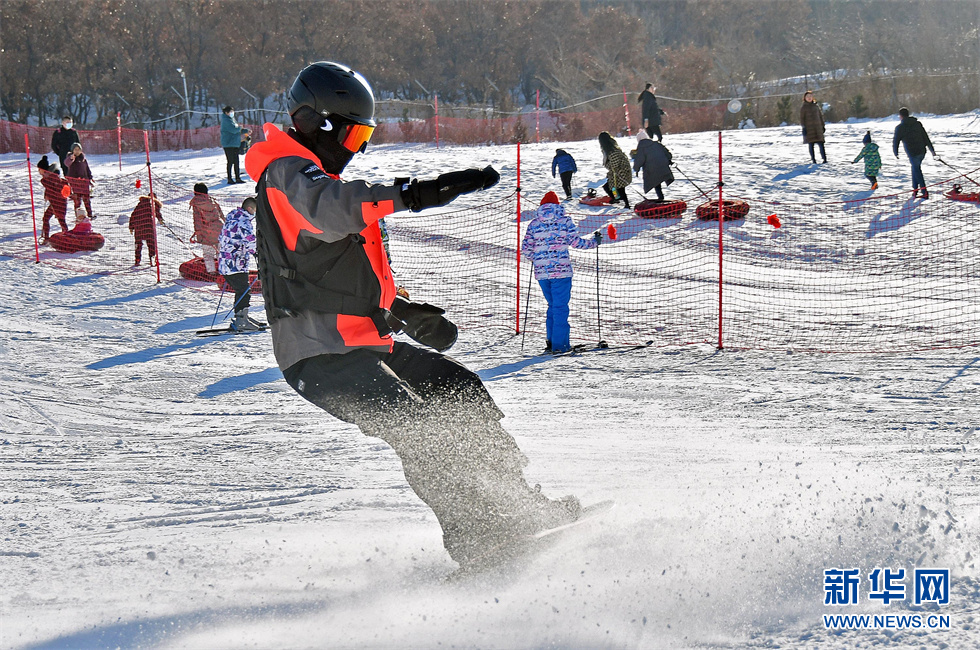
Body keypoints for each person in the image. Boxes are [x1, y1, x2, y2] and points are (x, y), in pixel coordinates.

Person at [243, 60, 581, 568]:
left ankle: (517, 502)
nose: (358, 147)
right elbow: (335, 207)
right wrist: (419, 192)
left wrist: (404, 311)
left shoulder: (297, 174)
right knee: (420, 430)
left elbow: (328, 271)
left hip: (359, 341)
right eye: (355, 133)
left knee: (459, 390)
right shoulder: (287, 174)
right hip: (320, 356)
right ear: (318, 122)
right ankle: (481, 539)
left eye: (366, 135)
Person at [521, 191, 598, 354]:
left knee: (552, 306)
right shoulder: (565, 221)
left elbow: (526, 250)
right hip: (561, 271)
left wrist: (540, 258)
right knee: (560, 307)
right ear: (557, 205)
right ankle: (560, 345)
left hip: (542, 273)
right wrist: (594, 242)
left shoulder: (534, 224)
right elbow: (576, 242)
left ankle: (551, 341)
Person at [218, 197, 259, 331]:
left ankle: (242, 316)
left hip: (226, 262)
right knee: (244, 291)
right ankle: (241, 320)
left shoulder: (232, 218)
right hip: (235, 264)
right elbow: (250, 242)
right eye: (255, 211)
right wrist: (259, 252)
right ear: (249, 209)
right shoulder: (243, 222)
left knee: (241, 290)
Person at [892, 107, 936, 199]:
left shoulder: (900, 128)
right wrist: (932, 150)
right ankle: (915, 190)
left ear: (900, 116)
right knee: (915, 168)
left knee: (917, 170)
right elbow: (925, 137)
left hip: (912, 152)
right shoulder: (917, 124)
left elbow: (896, 141)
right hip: (922, 151)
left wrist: (895, 152)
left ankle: (924, 191)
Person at [189, 183, 225, 273]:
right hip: (219, 228)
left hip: (206, 230)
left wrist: (197, 232)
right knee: (220, 251)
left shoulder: (196, 203)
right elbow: (221, 214)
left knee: (208, 253)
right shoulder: (212, 200)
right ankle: (224, 271)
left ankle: (211, 272)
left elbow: (197, 220)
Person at [632, 129, 674, 201]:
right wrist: (668, 160)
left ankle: (660, 197)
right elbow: (668, 154)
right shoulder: (657, 143)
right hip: (663, 166)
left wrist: (636, 168)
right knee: (661, 178)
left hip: (652, 169)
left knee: (655, 181)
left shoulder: (641, 148)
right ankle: (661, 197)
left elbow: (639, 160)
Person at [37, 156, 70, 243]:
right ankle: (46, 238)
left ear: (43, 170)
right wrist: (47, 195)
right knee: (46, 218)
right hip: (53, 203)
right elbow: (50, 189)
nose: (38, 172)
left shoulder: (51, 178)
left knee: (61, 221)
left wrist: (44, 178)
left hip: (59, 203)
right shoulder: (50, 177)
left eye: (39, 169)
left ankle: (68, 238)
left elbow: (49, 185)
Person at [598, 131, 632, 209]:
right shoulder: (611, 150)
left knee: (617, 188)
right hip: (617, 172)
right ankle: (617, 198)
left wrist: (607, 165)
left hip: (621, 173)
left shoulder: (612, 152)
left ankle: (624, 202)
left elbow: (614, 165)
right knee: (612, 187)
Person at [129, 193, 163, 266]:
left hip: (138, 227)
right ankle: (152, 259)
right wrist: (160, 219)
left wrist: (131, 227)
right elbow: (156, 212)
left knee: (138, 244)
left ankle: (137, 259)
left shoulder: (140, 204)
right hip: (148, 226)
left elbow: (133, 215)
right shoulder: (153, 202)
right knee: (151, 243)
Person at [65, 143, 94, 219]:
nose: (77, 151)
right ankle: (78, 216)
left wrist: (90, 177)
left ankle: (90, 214)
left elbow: (87, 169)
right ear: (72, 151)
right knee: (77, 201)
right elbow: (67, 163)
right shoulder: (71, 158)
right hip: (75, 183)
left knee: (87, 200)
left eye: (79, 149)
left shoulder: (83, 159)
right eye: (75, 150)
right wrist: (71, 158)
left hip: (84, 182)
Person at [221, 106, 249, 184]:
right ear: (226, 112)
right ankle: (229, 178)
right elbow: (234, 130)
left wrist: (245, 131)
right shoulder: (225, 121)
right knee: (230, 161)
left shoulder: (232, 120)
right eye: (230, 112)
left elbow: (237, 130)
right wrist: (240, 128)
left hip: (235, 143)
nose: (232, 113)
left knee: (236, 161)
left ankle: (237, 178)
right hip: (228, 144)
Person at [800, 91, 827, 164]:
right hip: (809, 129)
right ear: (805, 98)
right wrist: (804, 128)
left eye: (810, 96)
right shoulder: (804, 107)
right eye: (807, 97)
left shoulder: (816, 106)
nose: (809, 98)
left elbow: (820, 116)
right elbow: (802, 119)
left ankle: (824, 159)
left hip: (818, 129)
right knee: (811, 144)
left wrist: (823, 126)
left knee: (821, 144)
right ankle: (813, 159)